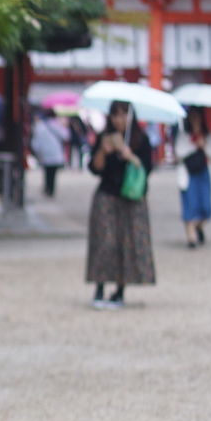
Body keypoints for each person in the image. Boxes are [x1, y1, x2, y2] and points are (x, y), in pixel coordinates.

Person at [85, 100, 155, 309]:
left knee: (126, 242)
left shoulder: (141, 140)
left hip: (131, 197)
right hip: (107, 194)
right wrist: (103, 152)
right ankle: (99, 287)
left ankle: (120, 290)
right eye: (115, 115)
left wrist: (130, 155)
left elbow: (148, 168)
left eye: (124, 115)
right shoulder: (104, 137)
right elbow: (94, 168)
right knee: (105, 241)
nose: (119, 120)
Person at [177, 108, 211, 248]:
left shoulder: (207, 135)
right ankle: (191, 236)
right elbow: (178, 152)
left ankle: (198, 226)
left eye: (197, 118)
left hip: (203, 172)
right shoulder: (183, 135)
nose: (195, 121)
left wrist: (204, 145)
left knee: (206, 206)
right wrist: (194, 145)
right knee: (190, 204)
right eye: (193, 118)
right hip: (188, 172)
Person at [29, 109, 67, 197]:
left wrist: (37, 152)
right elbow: (66, 136)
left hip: (44, 154)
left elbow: (35, 142)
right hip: (56, 153)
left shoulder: (40, 126)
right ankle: (51, 189)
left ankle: (47, 188)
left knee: (47, 172)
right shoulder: (57, 125)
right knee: (53, 173)